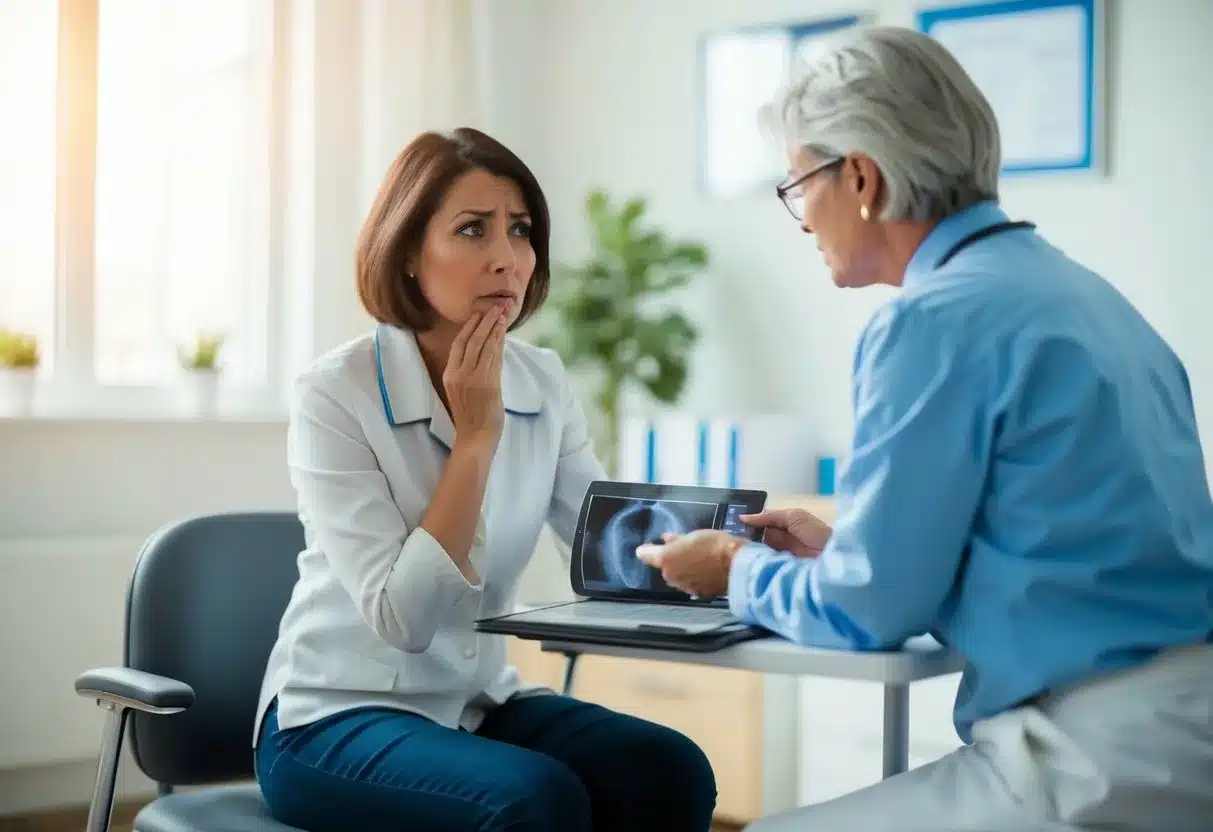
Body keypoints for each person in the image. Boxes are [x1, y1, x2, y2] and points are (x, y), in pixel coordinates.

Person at [636, 24, 1213, 832]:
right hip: (1178, 728)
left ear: (861, 177)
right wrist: (844, 552)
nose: (800, 219)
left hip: (1094, 755)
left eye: (799, 186)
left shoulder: (931, 321)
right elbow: (1060, 557)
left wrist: (733, 568)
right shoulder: (1089, 299)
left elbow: (867, 614)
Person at [252, 127, 717, 831]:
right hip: (331, 717)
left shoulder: (542, 379)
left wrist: (738, 551)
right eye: (472, 230)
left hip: (476, 707)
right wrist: (475, 439)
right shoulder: (334, 392)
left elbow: (609, 548)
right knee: (533, 798)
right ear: (409, 252)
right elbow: (404, 621)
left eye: (520, 231)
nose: (506, 259)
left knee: (667, 769)